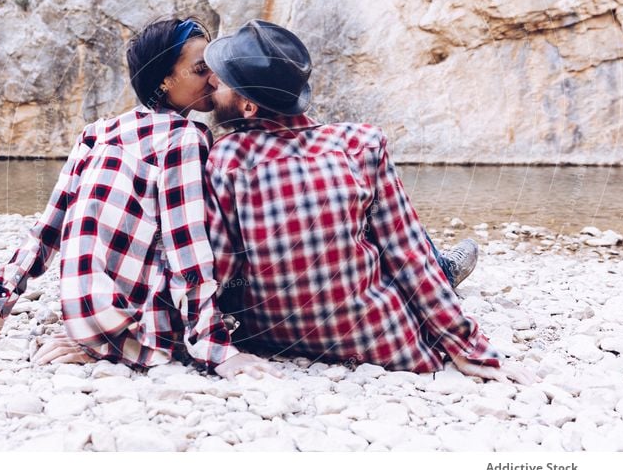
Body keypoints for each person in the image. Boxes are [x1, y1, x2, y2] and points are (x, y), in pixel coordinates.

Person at [0, 17, 282, 381]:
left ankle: (97, 334)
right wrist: (216, 351)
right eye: (201, 70)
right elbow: (186, 248)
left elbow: (47, 230)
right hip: (141, 324)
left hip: (85, 307)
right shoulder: (185, 136)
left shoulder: (97, 131)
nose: (215, 80)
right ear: (166, 82)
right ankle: (119, 340)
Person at [202, 19, 534, 383]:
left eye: (222, 81)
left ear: (248, 107)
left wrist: (206, 343)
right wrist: (468, 348)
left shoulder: (225, 158)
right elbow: (408, 253)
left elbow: (218, 267)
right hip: (379, 340)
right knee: (384, 233)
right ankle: (447, 271)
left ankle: (445, 269)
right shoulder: (361, 143)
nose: (212, 83)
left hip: (270, 335)